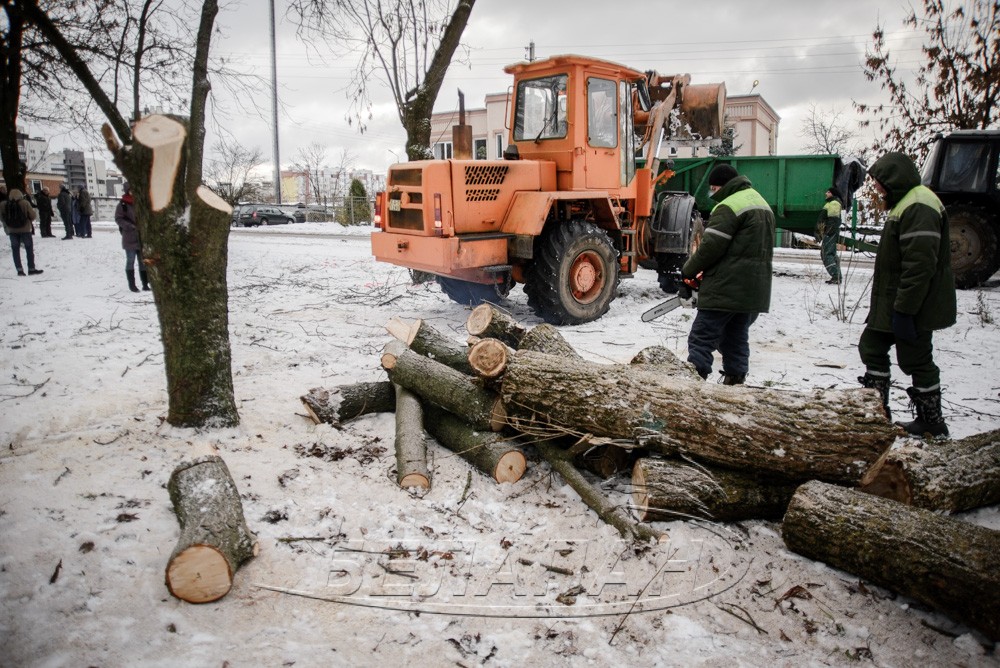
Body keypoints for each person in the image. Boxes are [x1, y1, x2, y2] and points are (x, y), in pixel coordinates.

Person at [859, 152, 956, 438]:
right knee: (872, 347)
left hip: (912, 305)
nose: (876, 188)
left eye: (879, 182)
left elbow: (919, 266)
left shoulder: (919, 205)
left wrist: (905, 311)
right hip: (895, 302)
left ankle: (932, 421)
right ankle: (876, 413)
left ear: (894, 180)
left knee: (917, 358)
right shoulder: (906, 203)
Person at [681, 163, 775, 384]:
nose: (712, 192)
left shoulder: (728, 206)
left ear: (718, 186)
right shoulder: (761, 203)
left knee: (702, 336)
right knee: (736, 335)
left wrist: (688, 272)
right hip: (753, 287)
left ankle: (696, 377)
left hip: (726, 286)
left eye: (713, 188)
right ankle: (735, 378)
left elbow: (711, 247)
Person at [115, 184, 149, 292]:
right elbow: (118, 219)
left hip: (141, 237)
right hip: (129, 237)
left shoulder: (140, 202)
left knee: (142, 262)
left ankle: (145, 284)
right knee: (130, 260)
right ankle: (132, 285)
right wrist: (129, 226)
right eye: (131, 190)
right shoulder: (122, 204)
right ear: (127, 191)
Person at [1, 188, 43, 276]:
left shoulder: (3, 204)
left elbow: (2, 217)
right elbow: (32, 215)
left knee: (15, 250)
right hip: (25, 229)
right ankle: (31, 268)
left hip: (12, 230)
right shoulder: (24, 203)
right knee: (29, 249)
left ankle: (19, 270)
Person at [816, 186, 843, 284]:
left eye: (828, 192)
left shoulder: (834, 203)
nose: (826, 194)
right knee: (830, 254)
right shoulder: (830, 203)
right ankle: (837, 276)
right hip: (830, 232)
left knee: (826, 254)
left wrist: (828, 232)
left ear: (832, 194)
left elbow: (834, 220)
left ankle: (836, 276)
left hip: (830, 233)